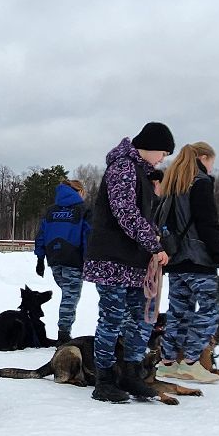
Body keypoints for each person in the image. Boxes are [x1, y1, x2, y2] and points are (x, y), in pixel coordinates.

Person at [83, 122, 174, 404]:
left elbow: (144, 217)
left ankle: (132, 372)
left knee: (139, 318)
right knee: (111, 319)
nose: (162, 159)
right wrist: (154, 244)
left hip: (134, 260)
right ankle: (105, 380)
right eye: (163, 153)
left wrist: (160, 243)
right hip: (112, 260)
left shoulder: (143, 174)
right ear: (151, 146)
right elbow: (126, 214)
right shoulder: (122, 167)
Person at [154, 142, 219, 382]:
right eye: (211, 162)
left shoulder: (171, 184)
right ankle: (190, 361)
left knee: (179, 312)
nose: (211, 167)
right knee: (211, 310)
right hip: (198, 260)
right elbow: (208, 223)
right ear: (203, 158)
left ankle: (167, 362)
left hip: (176, 260)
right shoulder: (200, 184)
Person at [33, 178, 91, 344]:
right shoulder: (83, 210)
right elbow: (88, 235)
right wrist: (88, 259)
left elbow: (41, 235)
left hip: (54, 258)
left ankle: (64, 330)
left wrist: (40, 258)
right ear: (79, 192)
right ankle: (64, 333)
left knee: (67, 294)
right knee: (70, 296)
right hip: (74, 258)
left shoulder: (51, 211)